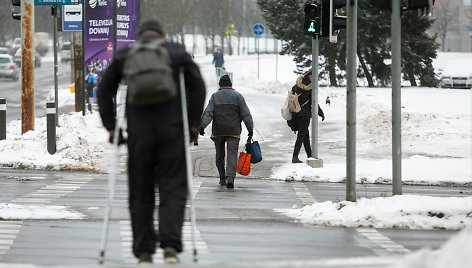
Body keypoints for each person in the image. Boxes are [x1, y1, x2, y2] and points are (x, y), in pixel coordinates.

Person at [97, 18, 206, 264]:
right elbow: (198, 87)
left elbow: (104, 91)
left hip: (140, 136)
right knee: (172, 189)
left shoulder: (126, 55)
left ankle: (144, 251)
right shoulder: (176, 53)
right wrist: (193, 124)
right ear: (161, 36)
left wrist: (112, 127)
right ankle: (170, 246)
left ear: (140, 37)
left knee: (141, 192)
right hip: (172, 133)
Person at [199, 75, 253, 189]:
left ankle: (222, 178)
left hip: (218, 131)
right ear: (230, 84)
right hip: (233, 131)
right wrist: (250, 129)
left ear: (220, 85)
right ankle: (230, 179)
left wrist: (202, 126)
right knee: (232, 155)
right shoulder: (238, 96)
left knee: (220, 155)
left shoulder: (215, 96)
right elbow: (246, 114)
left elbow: (208, 113)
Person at [291, 71, 325, 163]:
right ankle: (295, 157)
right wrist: (320, 113)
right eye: (311, 76)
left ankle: (309, 155)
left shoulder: (297, 85)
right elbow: (314, 102)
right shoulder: (309, 88)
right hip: (304, 115)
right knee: (301, 136)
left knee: (305, 136)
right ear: (308, 77)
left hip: (296, 113)